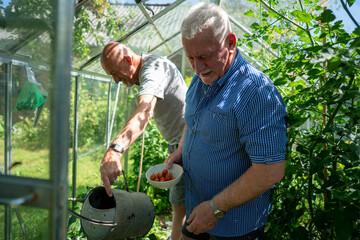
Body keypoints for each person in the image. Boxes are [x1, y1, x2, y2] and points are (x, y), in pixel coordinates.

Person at [165, 3, 288, 240]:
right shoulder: (201, 81)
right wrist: (181, 151)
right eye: (190, 57)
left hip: (233, 225)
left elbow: (271, 170)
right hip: (196, 208)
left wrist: (214, 208)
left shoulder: (255, 92)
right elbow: (193, 121)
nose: (197, 67)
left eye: (204, 56)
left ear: (230, 42)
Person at [100, 42, 187, 240]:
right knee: (180, 202)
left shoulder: (153, 69)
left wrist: (115, 150)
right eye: (110, 75)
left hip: (189, 141)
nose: (115, 80)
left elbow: (144, 111)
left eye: (115, 72)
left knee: (183, 201)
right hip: (179, 140)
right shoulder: (146, 69)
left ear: (128, 60)